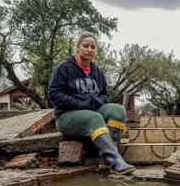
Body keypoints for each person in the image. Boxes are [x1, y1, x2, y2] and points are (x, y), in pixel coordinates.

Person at [48, 32, 135, 175]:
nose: (89, 49)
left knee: (118, 110)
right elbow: (54, 94)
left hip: (91, 111)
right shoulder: (64, 67)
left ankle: (105, 160)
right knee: (95, 118)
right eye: (86, 46)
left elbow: (105, 95)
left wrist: (95, 102)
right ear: (78, 47)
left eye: (93, 47)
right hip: (66, 116)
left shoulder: (97, 72)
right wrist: (79, 103)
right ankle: (115, 161)